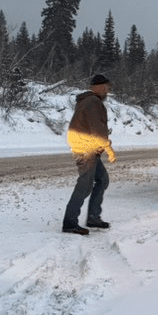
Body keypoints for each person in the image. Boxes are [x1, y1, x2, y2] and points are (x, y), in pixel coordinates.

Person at [62, 74, 117, 235]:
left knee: (102, 179)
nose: (107, 90)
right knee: (85, 185)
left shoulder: (89, 101)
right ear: (97, 87)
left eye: (108, 87)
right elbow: (97, 129)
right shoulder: (93, 102)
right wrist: (108, 148)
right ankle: (69, 222)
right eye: (106, 87)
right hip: (85, 149)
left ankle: (93, 217)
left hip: (87, 148)